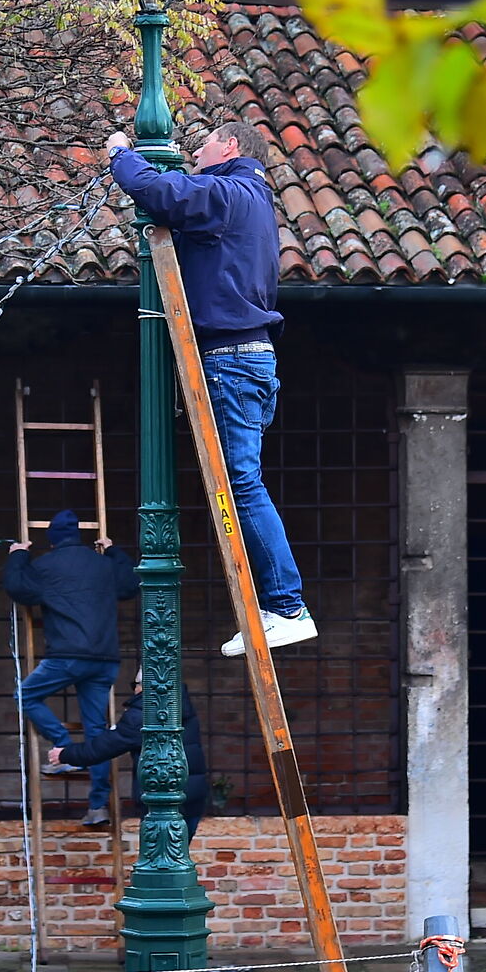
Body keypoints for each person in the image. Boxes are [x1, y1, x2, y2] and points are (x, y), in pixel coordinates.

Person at [106, 117, 317, 657]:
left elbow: (163, 191)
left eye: (202, 146)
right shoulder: (248, 198)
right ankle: (277, 608)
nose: (195, 155)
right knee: (241, 480)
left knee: (242, 483)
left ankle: (287, 607)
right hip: (246, 358)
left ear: (229, 146)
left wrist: (121, 154)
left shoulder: (231, 192)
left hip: (232, 358)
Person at [2, 508, 139, 827]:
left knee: (25, 696)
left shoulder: (46, 565)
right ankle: (97, 806)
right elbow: (131, 583)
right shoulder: (103, 565)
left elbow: (18, 588)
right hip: (105, 658)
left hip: (67, 654)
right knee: (97, 733)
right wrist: (114, 551)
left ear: (52, 541)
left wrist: (18, 555)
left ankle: (63, 748)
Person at [49, 674, 210, 843]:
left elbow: (104, 747)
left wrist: (65, 754)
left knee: (158, 857)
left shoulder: (143, 714)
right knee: (179, 854)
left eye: (135, 684)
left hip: (159, 795)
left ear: (143, 687)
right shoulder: (183, 707)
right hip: (193, 793)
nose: (134, 690)